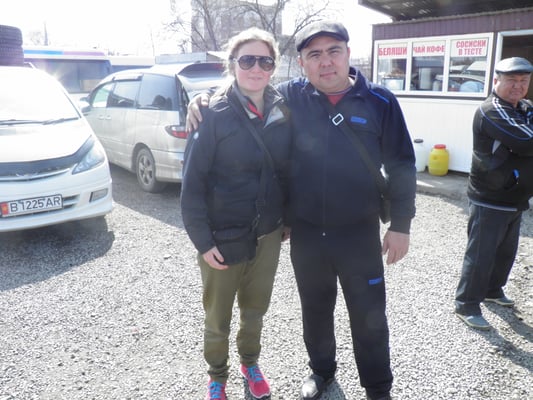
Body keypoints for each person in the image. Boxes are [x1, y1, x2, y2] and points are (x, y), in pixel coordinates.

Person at [187, 21, 416, 400]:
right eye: (315, 54)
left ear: (348, 54)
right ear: (302, 62)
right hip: (307, 233)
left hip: (359, 234)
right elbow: (246, 90)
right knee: (315, 310)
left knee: (370, 317)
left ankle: (378, 388)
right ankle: (322, 372)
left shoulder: (380, 101)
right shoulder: (291, 96)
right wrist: (204, 98)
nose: (326, 62)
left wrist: (401, 224)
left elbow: (403, 164)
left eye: (334, 51)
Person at [180, 27, 291, 400]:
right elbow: (192, 184)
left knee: (255, 310)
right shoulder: (212, 113)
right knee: (218, 316)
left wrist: (287, 219)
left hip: (268, 234)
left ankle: (250, 363)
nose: (256, 68)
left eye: (265, 61)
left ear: (274, 67)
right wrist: (202, 241)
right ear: (232, 64)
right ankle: (217, 376)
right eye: (248, 60)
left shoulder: (283, 108)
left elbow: (288, 170)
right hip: (222, 237)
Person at [454, 57, 533, 331]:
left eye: (523, 81)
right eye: (511, 80)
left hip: (515, 196)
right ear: (496, 81)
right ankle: (466, 304)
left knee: (505, 252)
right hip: (490, 196)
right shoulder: (491, 110)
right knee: (481, 254)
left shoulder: (524, 107)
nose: (518, 86)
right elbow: (526, 141)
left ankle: (492, 290)